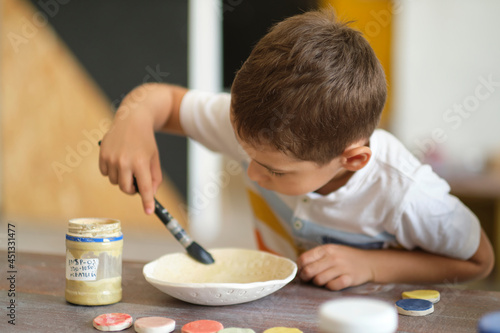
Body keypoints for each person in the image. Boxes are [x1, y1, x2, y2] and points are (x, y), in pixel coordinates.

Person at [99, 10, 494, 290]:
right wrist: (131, 123)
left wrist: (372, 266)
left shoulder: (406, 193)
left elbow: (480, 261)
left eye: (275, 172)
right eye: (244, 152)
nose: (252, 174)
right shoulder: (256, 129)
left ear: (352, 159)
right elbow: (158, 99)